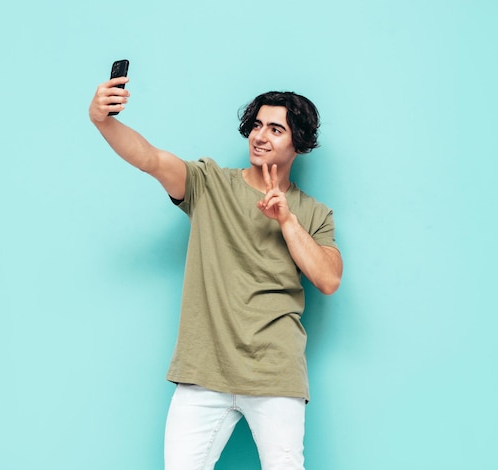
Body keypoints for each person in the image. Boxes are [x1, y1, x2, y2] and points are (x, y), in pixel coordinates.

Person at [89, 72, 343, 470]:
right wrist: (104, 121)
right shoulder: (209, 184)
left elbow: (328, 279)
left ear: (299, 142)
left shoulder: (313, 213)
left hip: (275, 374)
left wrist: (286, 220)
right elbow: (151, 158)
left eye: (276, 129)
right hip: (203, 373)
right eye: (256, 125)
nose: (260, 136)